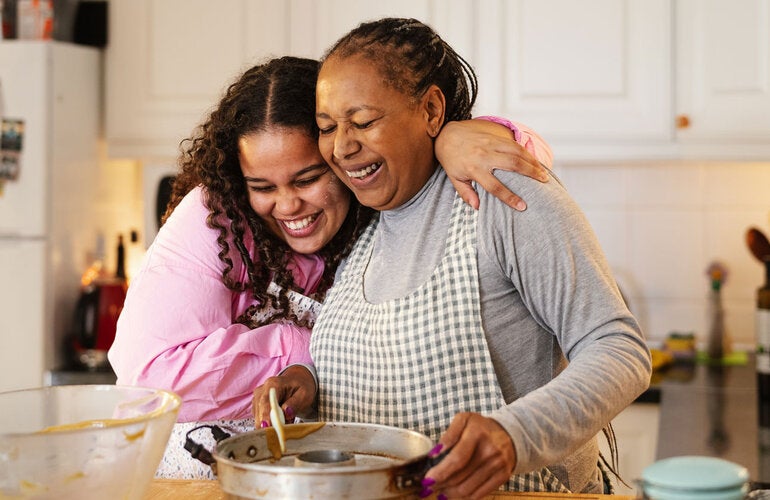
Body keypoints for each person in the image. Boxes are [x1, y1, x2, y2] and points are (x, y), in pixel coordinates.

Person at [253, 18, 651, 498]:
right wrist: (310, 381)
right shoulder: (363, 225)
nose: (342, 146)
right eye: (326, 127)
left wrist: (513, 435)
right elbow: (383, 361)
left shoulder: (498, 193)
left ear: (431, 110)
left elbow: (619, 348)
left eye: (363, 122)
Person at [107, 55, 550, 479]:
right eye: (262, 186)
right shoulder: (216, 216)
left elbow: (532, 163)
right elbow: (149, 379)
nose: (287, 205)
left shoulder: (382, 201)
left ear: (340, 152)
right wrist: (310, 348)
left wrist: (459, 136)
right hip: (202, 477)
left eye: (308, 179)